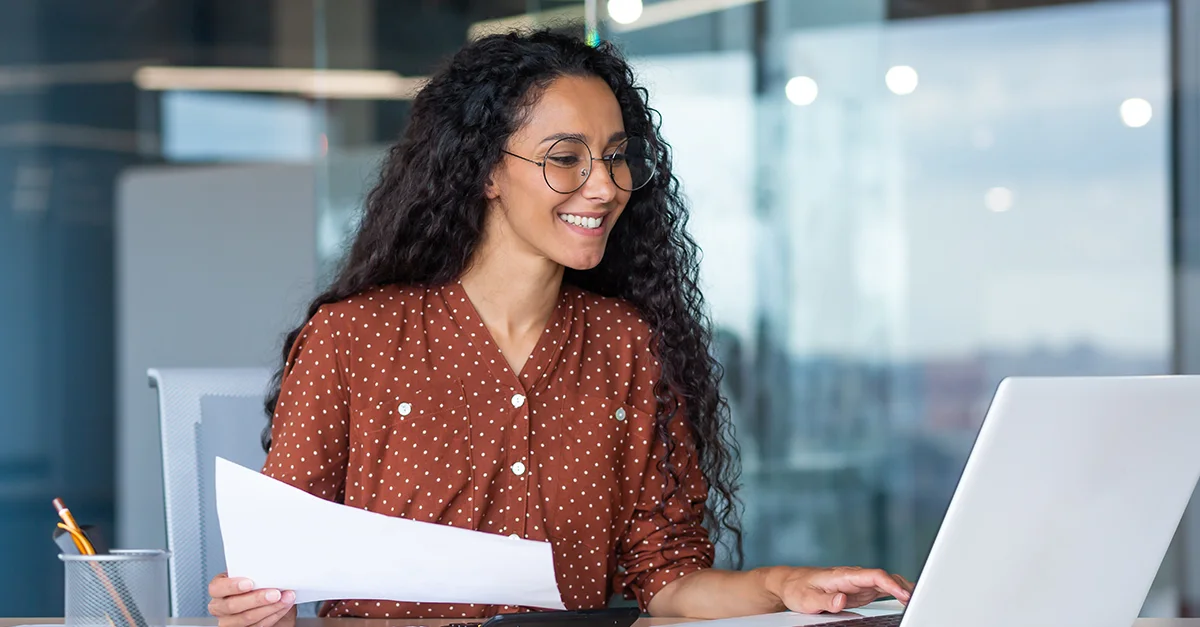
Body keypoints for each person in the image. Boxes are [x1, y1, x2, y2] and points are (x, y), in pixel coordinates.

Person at [206, 29, 913, 627]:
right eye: (565, 159)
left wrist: (781, 587)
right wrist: (253, 606)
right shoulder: (352, 338)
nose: (603, 186)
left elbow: (666, 578)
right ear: (484, 170)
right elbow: (276, 569)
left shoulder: (625, 343)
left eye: (613, 157)